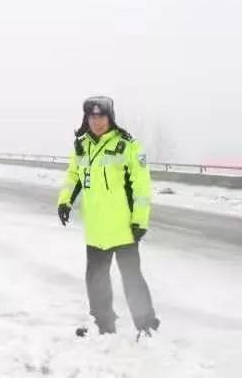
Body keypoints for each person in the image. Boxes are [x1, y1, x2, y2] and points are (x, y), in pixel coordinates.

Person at [57, 96, 160, 338]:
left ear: (110, 117)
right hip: (96, 228)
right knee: (96, 278)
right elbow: (73, 176)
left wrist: (140, 220)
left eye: (101, 116)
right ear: (87, 118)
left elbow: (141, 186)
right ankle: (103, 324)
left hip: (124, 227)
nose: (97, 122)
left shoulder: (128, 145)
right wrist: (65, 201)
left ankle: (146, 326)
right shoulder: (82, 145)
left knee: (132, 277)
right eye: (92, 117)